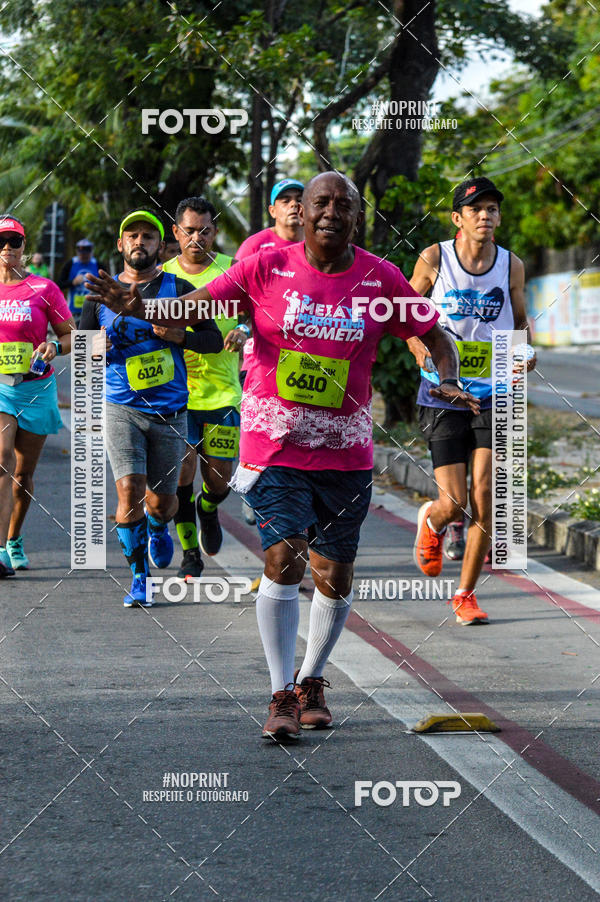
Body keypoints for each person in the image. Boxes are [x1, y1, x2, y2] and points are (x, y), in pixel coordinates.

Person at [87, 172, 477, 739]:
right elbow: (195, 308)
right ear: (305, 211)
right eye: (321, 202)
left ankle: (312, 678)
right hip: (274, 446)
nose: (330, 213)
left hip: (345, 454)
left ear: (356, 217)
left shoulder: (380, 276)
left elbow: (433, 331)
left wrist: (446, 375)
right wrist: (143, 306)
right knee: (284, 558)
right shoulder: (265, 266)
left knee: (334, 575)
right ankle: (280, 694)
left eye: (344, 205)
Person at [407, 176, 536, 625]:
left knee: (486, 497)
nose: (486, 216)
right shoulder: (434, 258)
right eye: (476, 209)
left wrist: (527, 353)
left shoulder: (511, 265)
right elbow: (406, 312)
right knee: (456, 503)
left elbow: (520, 323)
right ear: (457, 218)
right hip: (442, 393)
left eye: (493, 209)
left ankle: (464, 594)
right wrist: (419, 345)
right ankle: (433, 520)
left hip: (496, 392)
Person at [80, 209, 223, 606]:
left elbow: (212, 340)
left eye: (147, 236)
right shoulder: (101, 292)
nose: (139, 241)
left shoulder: (178, 287)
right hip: (120, 406)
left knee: (162, 502)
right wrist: (97, 348)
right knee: (129, 491)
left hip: (171, 411)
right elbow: (81, 350)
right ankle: (139, 577)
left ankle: (159, 527)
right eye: (132, 235)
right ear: (121, 245)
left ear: (161, 245)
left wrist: (181, 336)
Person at [162, 196, 249, 580]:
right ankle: (190, 553)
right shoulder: (159, 276)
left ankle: (210, 508)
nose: (197, 237)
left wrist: (244, 330)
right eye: (189, 230)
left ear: (215, 232)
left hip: (225, 392)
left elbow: (258, 313)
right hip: (176, 394)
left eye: (205, 230)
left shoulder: (235, 271)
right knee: (182, 473)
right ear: (177, 233)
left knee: (219, 480)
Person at [0, 215, 75, 576]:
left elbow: (72, 335)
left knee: (23, 475)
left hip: (36, 388)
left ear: (24, 247)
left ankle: (14, 538)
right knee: (2, 459)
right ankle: (0, 549)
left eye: (14, 242)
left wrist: (52, 346)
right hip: (0, 387)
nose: (7, 249)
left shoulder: (43, 289)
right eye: (1, 242)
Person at [236, 177, 305, 525]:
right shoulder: (256, 246)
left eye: (299, 199)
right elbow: (232, 295)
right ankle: (253, 482)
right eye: (286, 199)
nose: (294, 205)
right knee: (263, 427)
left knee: (294, 435)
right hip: (260, 355)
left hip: (307, 359)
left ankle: (284, 498)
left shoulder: (320, 246)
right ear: (272, 209)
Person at [236, 178, 304, 260]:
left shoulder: (316, 245)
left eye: (300, 200)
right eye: (286, 201)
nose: (294, 204)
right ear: (272, 211)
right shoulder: (254, 245)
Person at [57, 238, 108, 322]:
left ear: (91, 252)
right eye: (81, 254)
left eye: (86, 255)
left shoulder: (98, 265)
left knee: (92, 335)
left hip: (93, 310)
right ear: (77, 252)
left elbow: (106, 286)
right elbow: (59, 284)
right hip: (74, 311)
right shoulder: (70, 264)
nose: (83, 257)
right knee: (77, 335)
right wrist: (73, 282)